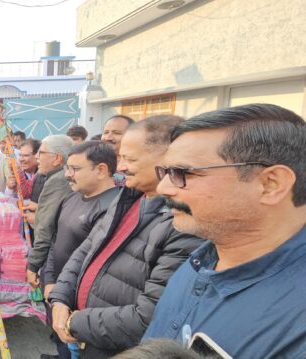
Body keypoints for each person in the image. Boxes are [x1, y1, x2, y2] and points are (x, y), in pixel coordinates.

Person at [142, 104, 306, 358]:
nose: (163, 188)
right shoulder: (202, 260)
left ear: (270, 184)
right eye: (164, 172)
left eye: (181, 173)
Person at [47, 115, 203, 358]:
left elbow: (149, 315)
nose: (119, 167)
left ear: (168, 158)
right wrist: (60, 299)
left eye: (129, 159)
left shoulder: (185, 222)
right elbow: (85, 251)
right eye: (120, 157)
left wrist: (75, 322)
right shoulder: (129, 196)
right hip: (85, 335)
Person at [39, 141, 119, 359]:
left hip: (81, 303)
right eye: (67, 168)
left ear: (101, 170)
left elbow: (95, 262)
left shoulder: (114, 208)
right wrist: (49, 281)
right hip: (58, 292)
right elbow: (56, 241)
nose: (67, 174)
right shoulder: (72, 197)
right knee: (59, 342)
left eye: (74, 169)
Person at [25, 135, 73, 288]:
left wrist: (33, 265)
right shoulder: (59, 176)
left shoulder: (58, 180)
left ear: (57, 158)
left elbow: (45, 226)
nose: (37, 157)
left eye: (41, 153)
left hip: (54, 256)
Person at [101, 115, 135, 186]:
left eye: (116, 133)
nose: (108, 138)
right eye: (106, 132)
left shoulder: (138, 162)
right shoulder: (95, 159)